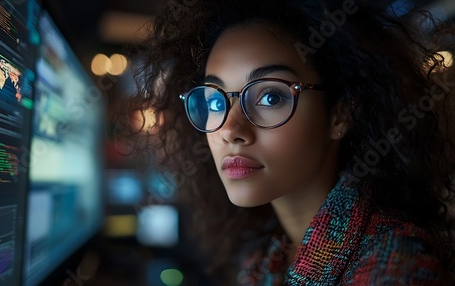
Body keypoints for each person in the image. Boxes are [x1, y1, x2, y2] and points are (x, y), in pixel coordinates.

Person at [114, 0, 455, 284]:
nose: (231, 130)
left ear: (340, 115)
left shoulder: (398, 272)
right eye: (216, 102)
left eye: (270, 98)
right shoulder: (262, 258)